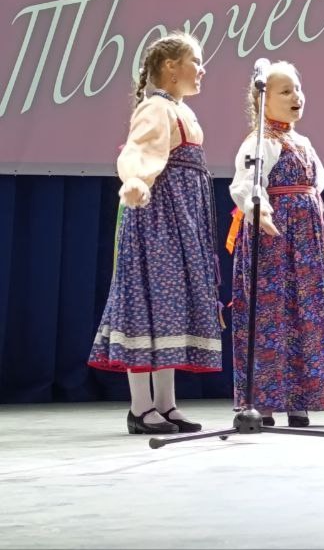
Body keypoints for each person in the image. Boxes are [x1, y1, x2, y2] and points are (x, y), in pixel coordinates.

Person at [88, 32, 222, 435]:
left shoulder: (180, 110)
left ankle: (166, 404)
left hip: (181, 220)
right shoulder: (156, 108)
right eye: (195, 61)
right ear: (170, 67)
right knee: (148, 302)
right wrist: (134, 180)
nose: (202, 70)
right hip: (158, 220)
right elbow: (137, 150)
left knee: (170, 307)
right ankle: (140, 407)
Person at [228, 61, 324, 428]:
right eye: (286, 91)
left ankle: (300, 401)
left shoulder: (303, 143)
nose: (297, 96)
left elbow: (312, 193)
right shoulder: (260, 142)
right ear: (262, 100)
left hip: (307, 244)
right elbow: (245, 185)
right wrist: (259, 211)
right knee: (271, 316)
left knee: (305, 316)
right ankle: (264, 403)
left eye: (298, 88)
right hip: (274, 241)